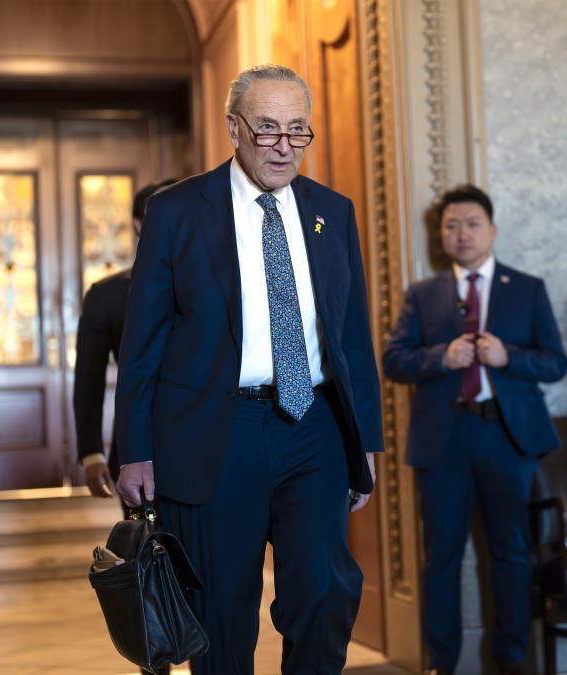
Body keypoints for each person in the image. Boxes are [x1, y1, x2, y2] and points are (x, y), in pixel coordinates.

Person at [113, 64, 384, 674]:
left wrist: (363, 438)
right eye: (267, 129)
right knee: (220, 612)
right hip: (214, 431)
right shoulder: (177, 211)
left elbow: (349, 336)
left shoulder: (331, 213)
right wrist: (134, 449)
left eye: (298, 131)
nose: (284, 146)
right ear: (233, 128)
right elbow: (142, 343)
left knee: (324, 588)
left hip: (312, 425)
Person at [382, 184, 567, 675]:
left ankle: (511, 660)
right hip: (444, 441)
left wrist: (511, 357)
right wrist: (440, 358)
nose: (461, 233)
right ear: (440, 235)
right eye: (450, 225)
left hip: (505, 438)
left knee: (512, 553)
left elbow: (556, 363)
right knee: (439, 557)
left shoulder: (527, 289)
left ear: (492, 230)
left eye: (471, 224)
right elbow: (394, 362)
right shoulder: (423, 296)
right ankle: (440, 662)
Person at [74, 179, 177, 499]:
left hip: (210, 443)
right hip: (138, 446)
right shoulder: (107, 296)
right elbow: (88, 381)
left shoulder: (217, 286)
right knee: (147, 546)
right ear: (138, 224)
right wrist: (91, 453)